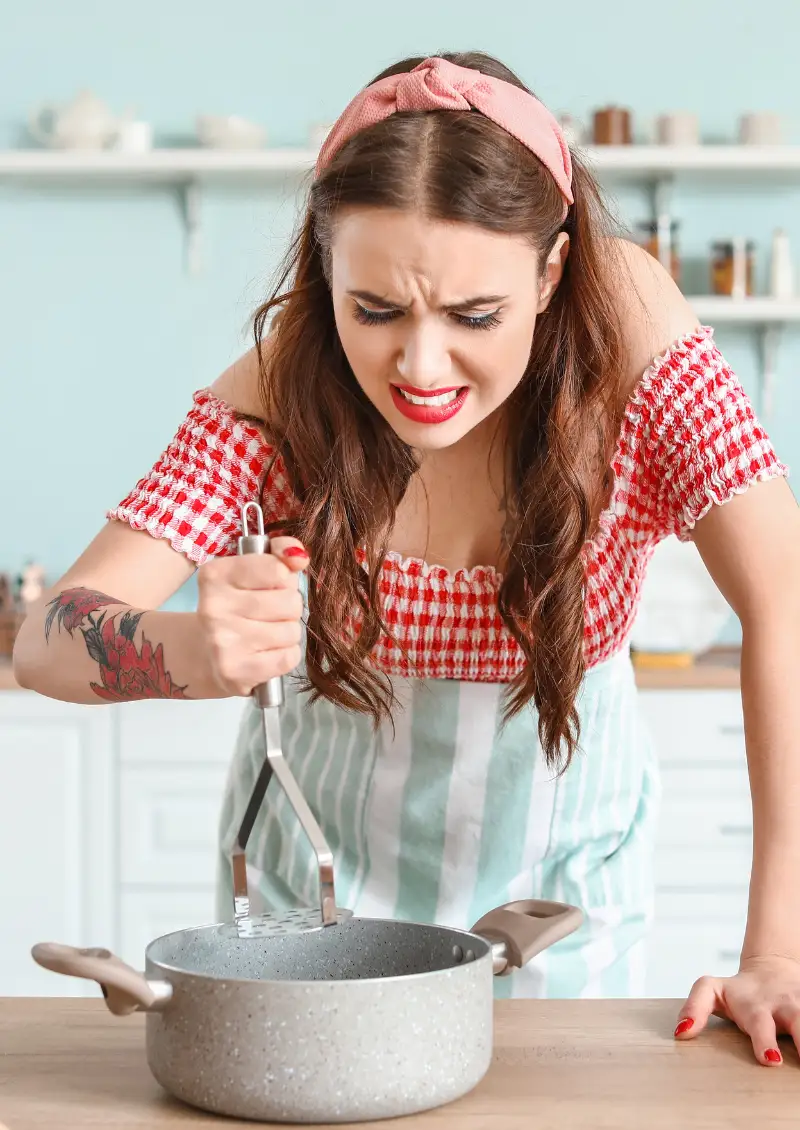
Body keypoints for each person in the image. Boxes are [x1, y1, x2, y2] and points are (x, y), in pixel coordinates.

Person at [13, 52, 800, 1065]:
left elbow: (781, 601)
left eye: (473, 316)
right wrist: (187, 651)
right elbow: (44, 641)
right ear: (326, 269)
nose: (419, 369)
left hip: (557, 905)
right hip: (318, 911)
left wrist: (774, 948)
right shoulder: (281, 389)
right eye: (372, 310)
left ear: (550, 271)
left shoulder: (631, 344)